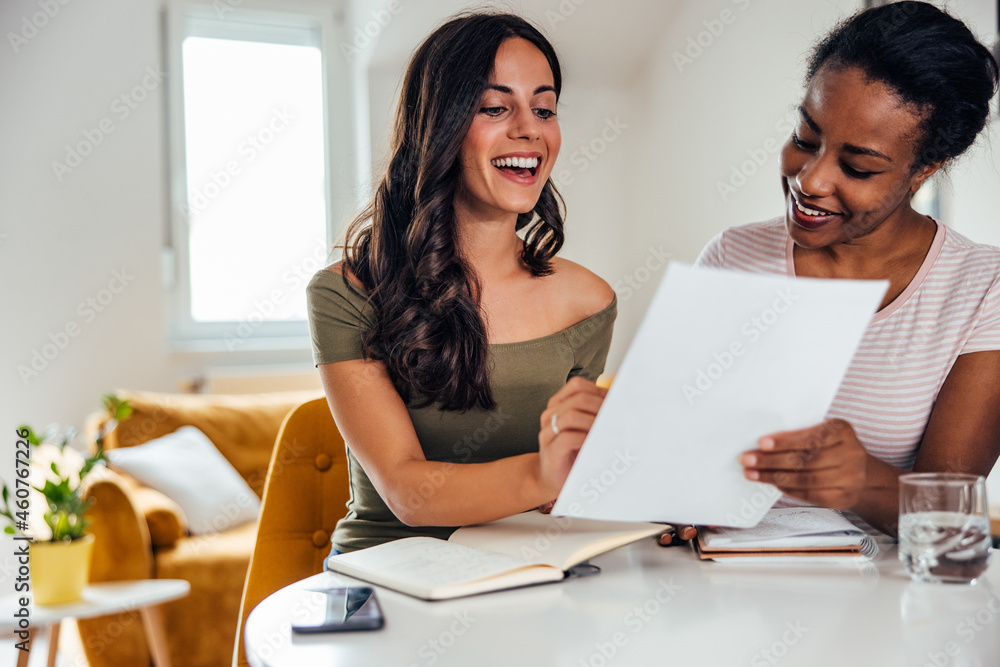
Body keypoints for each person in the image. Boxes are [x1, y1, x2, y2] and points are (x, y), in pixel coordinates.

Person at [688, 1, 1000, 538]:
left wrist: (860, 481)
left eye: (857, 167)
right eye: (805, 139)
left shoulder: (981, 288)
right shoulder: (731, 258)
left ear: (924, 169)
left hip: (882, 605)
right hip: (716, 590)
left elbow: (950, 522)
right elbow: (678, 449)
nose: (810, 180)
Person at [307, 13, 616, 554]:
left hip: (526, 572)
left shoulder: (588, 302)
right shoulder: (346, 293)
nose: (529, 129)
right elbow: (408, 491)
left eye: (544, 109)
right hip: (389, 581)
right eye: (495, 107)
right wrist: (545, 474)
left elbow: (563, 487)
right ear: (441, 125)